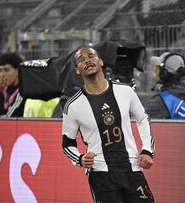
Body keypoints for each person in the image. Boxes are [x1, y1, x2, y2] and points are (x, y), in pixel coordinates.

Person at [61, 47, 155, 202]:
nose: (87, 60)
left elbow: (143, 118)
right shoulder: (73, 106)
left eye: (91, 56)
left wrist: (147, 150)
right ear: (77, 70)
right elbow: (67, 144)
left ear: (101, 62)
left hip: (131, 168)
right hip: (100, 174)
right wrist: (80, 159)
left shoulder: (125, 91)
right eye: (81, 59)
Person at [144, 52, 185, 120]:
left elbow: (137, 123)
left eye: (158, 68)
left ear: (164, 73)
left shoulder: (162, 101)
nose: (155, 71)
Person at [0, 52, 26, 117]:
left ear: (18, 71)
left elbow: (4, 120)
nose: (2, 74)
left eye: (6, 70)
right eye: (0, 70)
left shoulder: (22, 93)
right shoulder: (2, 89)